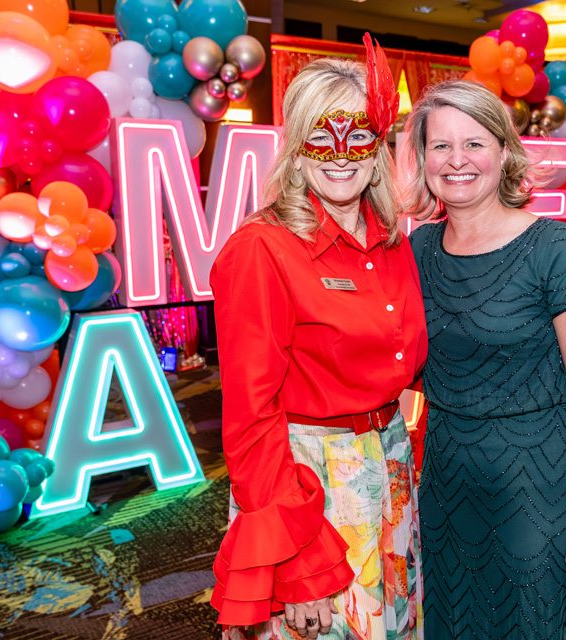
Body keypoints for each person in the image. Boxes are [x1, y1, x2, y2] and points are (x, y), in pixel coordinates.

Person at [210, 38, 427, 640]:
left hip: (390, 465)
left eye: (357, 133)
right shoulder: (262, 248)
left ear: (378, 148)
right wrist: (294, 561)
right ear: (296, 151)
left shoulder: (392, 243)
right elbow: (250, 417)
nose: (339, 154)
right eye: (319, 134)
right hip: (307, 482)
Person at [404, 80, 566, 639]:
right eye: (440, 145)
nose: (456, 160)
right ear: (423, 158)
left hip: (536, 493)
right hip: (447, 487)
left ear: (503, 152)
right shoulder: (417, 251)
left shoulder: (555, 251)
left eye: (474, 143)